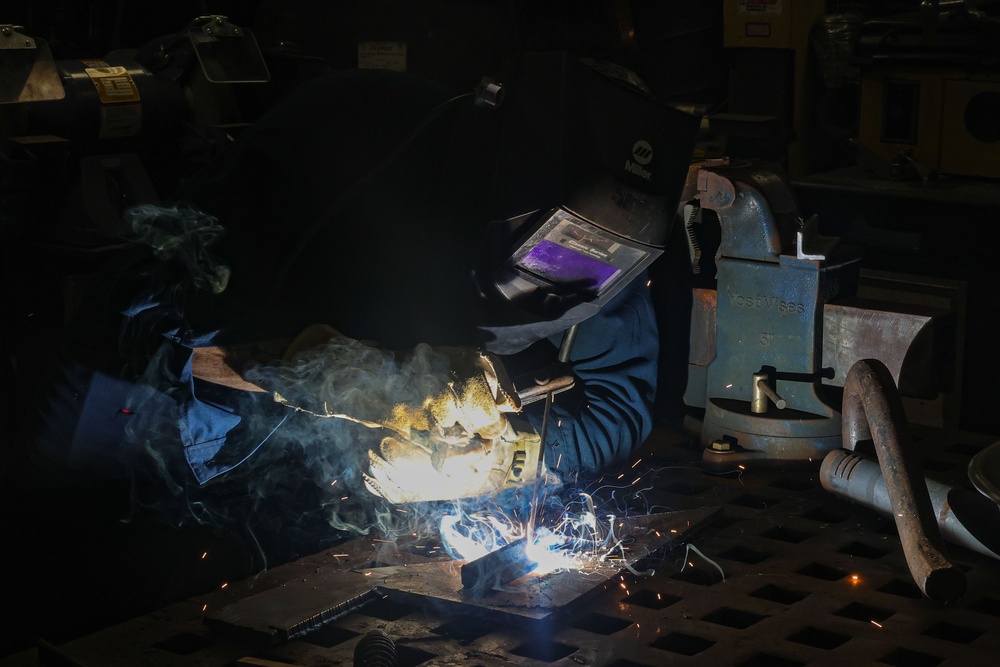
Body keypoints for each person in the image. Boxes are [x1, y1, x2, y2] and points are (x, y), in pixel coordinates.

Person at [14, 51, 699, 563]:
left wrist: (505, 460)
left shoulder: (605, 238)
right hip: (132, 409)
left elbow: (617, 408)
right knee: (78, 574)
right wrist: (331, 371)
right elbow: (149, 328)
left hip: (294, 468)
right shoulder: (344, 141)